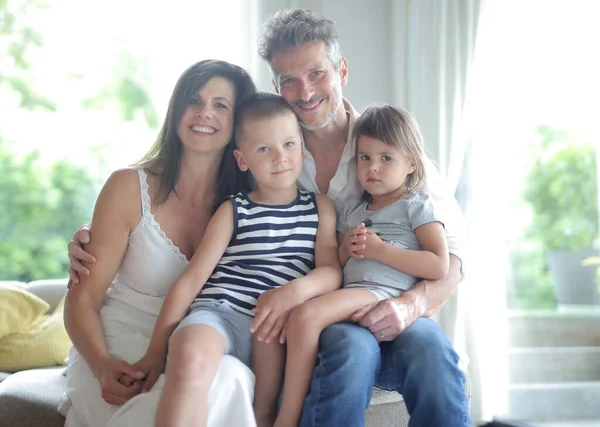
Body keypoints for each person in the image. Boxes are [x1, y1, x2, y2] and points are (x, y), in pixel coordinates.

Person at [69, 8, 471, 427]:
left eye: (317, 73)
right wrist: (90, 236)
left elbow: (453, 252)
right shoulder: (270, 162)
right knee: (349, 351)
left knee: (430, 349)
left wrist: (413, 304)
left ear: (342, 71)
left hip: (392, 299)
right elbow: (184, 200)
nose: (305, 91)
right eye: (289, 81)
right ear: (276, 89)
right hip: (311, 318)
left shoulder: (389, 145)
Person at [62, 59, 260, 427]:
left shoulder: (253, 202)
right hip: (117, 343)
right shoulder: (127, 187)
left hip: (200, 341)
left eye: (221, 105)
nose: (204, 113)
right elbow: (81, 299)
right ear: (176, 109)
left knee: (230, 379)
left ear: (239, 123)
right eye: (194, 100)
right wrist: (102, 364)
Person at [133, 92, 341, 427]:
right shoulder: (234, 209)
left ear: (302, 146)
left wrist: (294, 291)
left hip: (273, 330)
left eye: (289, 144)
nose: (280, 158)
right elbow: (191, 280)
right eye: (264, 149)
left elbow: (332, 270)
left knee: (263, 411)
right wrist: (156, 349)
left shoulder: (321, 208)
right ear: (242, 160)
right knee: (188, 362)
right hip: (219, 313)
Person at [269, 104, 450, 427]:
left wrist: (381, 251)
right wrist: (344, 249)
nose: (373, 168)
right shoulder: (354, 210)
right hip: (355, 295)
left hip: (384, 293)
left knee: (306, 315)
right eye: (365, 158)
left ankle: (286, 417)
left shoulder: (417, 204)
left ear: (411, 163)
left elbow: (438, 264)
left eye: (386, 158)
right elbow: (335, 266)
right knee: (308, 319)